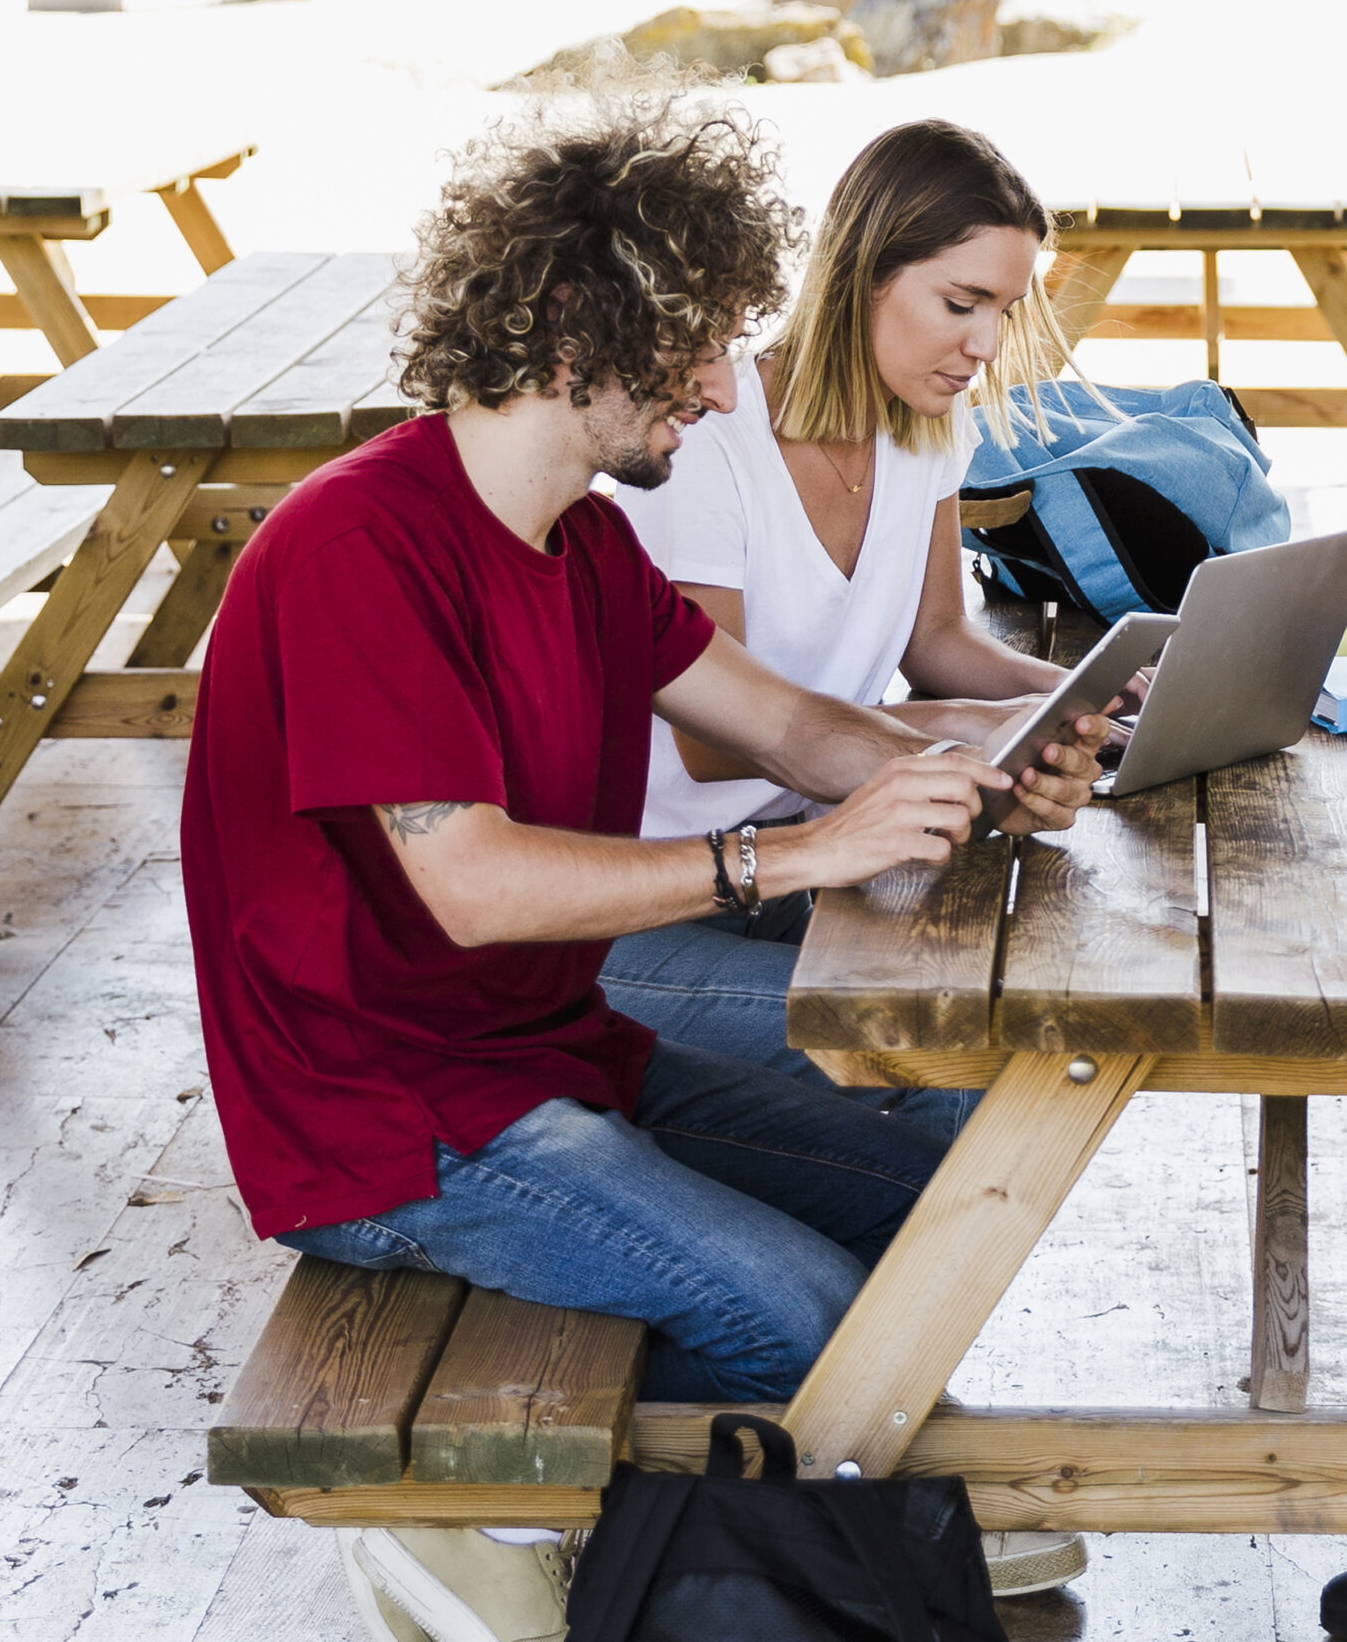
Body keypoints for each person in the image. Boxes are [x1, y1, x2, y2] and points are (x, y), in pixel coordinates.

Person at [180, 107, 1102, 1642]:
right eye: (700, 342)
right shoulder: (360, 545)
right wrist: (797, 857)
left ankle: (783, 1499)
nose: (730, 384)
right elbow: (467, 884)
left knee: (958, 1170)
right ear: (573, 325)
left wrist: (979, 780)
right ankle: (525, 1518)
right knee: (797, 1314)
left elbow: (794, 725)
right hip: (395, 1119)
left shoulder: (585, 544)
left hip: (552, 1059)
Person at [598, 120, 1122, 1177]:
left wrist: (1081, 692)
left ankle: (870, 1279)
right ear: (861, 275)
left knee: (1025, 995)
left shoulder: (927, 425)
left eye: (1004, 310)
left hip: (812, 857)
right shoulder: (703, 442)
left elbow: (935, 640)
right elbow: (710, 746)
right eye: (959, 303)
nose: (983, 344)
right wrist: (965, 736)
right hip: (654, 893)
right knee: (951, 1049)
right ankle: (859, 1290)